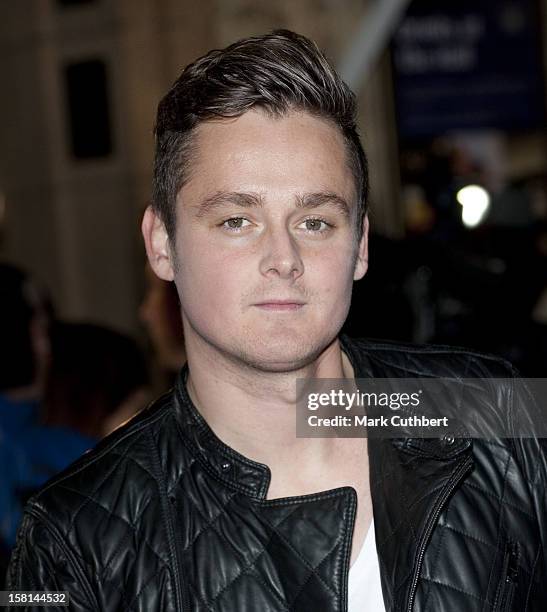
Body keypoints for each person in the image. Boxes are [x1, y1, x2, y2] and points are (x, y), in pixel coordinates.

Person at [6, 31, 547, 611]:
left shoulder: (493, 411)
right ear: (161, 243)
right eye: (237, 220)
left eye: (315, 221)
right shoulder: (73, 538)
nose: (283, 259)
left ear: (360, 246)